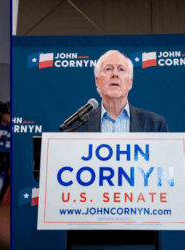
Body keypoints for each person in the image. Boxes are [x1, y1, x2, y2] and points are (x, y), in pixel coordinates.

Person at [66, 49, 167, 247]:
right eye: (108, 69)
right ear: (97, 81)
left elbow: (165, 177)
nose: (114, 74)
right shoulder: (77, 128)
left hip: (140, 232)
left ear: (130, 82)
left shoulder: (155, 124)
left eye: (121, 69)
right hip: (89, 233)